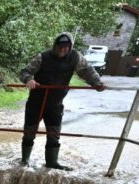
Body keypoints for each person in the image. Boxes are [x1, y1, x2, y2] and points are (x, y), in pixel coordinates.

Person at [19, 32, 104, 171]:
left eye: (66, 47)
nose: (62, 49)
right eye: (59, 46)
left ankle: (52, 163)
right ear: (55, 45)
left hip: (55, 103)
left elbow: (87, 71)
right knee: (29, 132)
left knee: (54, 134)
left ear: (70, 47)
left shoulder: (76, 57)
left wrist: (96, 83)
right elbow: (24, 72)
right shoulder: (43, 57)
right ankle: (24, 161)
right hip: (36, 101)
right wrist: (29, 79)